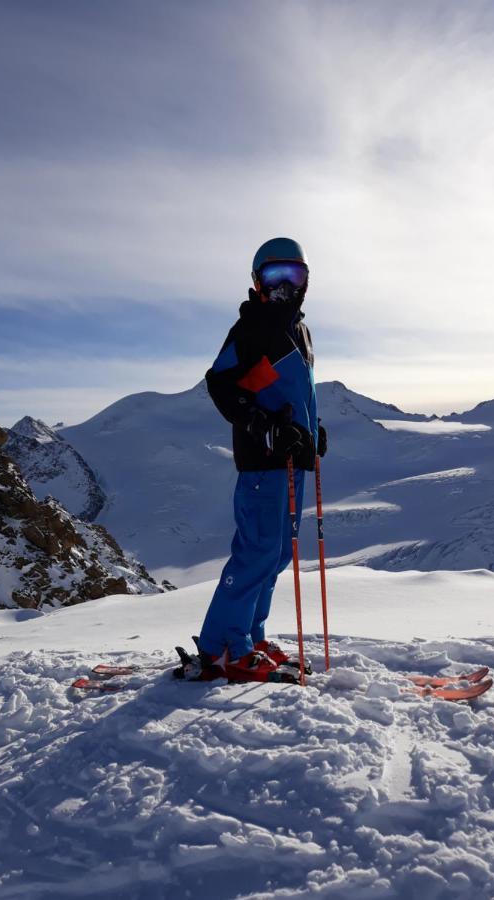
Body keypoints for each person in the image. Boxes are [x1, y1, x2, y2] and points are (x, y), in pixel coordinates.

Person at [198, 237, 327, 682]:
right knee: (256, 552)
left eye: (294, 277)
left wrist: (312, 432)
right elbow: (222, 384)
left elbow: (288, 389)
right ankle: (221, 649)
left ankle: (248, 638)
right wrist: (262, 425)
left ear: (306, 282)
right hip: (262, 461)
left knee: (275, 556)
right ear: (257, 284)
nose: (284, 288)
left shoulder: (299, 330)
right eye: (274, 278)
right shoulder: (252, 327)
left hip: (292, 460)